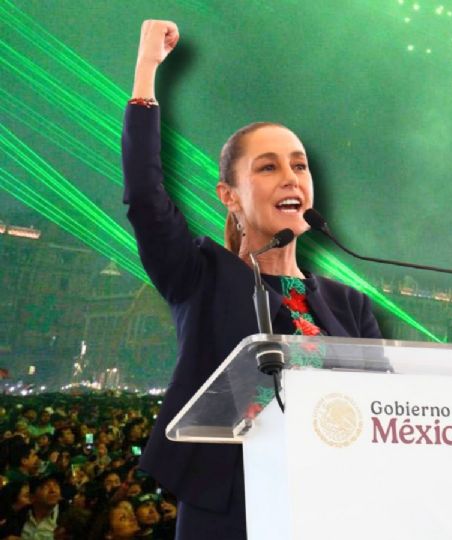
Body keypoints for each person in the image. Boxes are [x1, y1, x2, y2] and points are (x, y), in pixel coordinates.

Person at [125, 20, 383, 538]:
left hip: (333, 506)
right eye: (267, 168)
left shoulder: (348, 305)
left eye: (300, 166)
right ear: (230, 195)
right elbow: (146, 197)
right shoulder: (200, 275)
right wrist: (147, 70)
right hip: (231, 512)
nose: (291, 176)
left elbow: (387, 410)